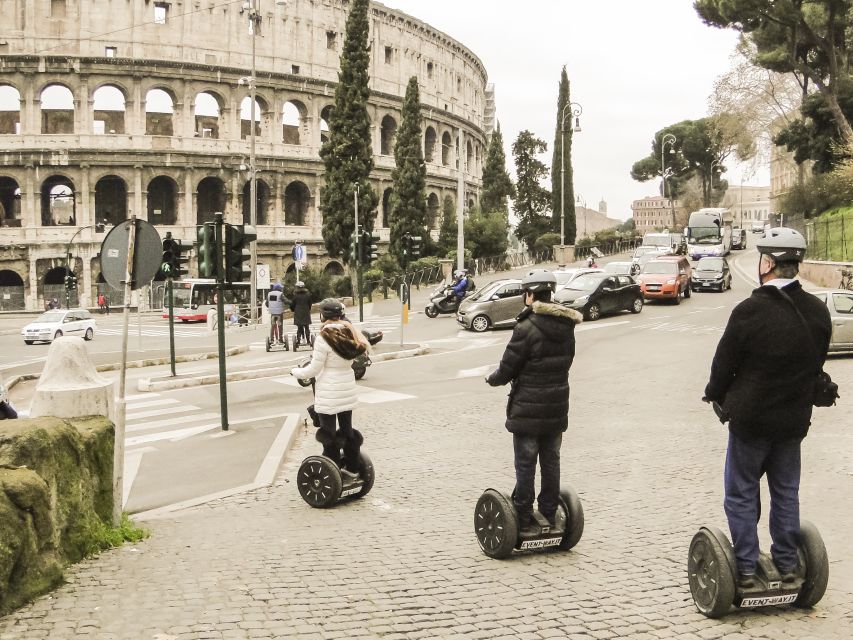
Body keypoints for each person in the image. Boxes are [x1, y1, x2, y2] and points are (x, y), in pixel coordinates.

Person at [703, 227, 831, 588]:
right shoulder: (817, 311)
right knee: (786, 492)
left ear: (769, 263)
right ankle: (788, 565)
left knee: (742, 492)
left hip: (751, 422)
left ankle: (744, 569)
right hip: (793, 422)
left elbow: (723, 364)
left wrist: (714, 393)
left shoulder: (750, 311)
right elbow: (815, 363)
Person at [485, 269, 583, 533]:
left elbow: (508, 367)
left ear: (529, 294)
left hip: (528, 407)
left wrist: (492, 379)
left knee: (526, 463)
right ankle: (550, 513)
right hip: (557, 404)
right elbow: (567, 361)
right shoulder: (566, 325)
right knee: (551, 462)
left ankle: (525, 516)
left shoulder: (526, 327)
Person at [291, 299, 369, 476]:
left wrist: (295, 372)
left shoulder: (323, 337)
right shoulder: (350, 333)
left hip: (329, 391)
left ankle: (332, 468)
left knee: (328, 433)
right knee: (347, 430)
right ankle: (352, 467)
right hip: (347, 388)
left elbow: (314, 369)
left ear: (323, 316)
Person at [290, 280, 313, 347]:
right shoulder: (308, 295)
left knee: (299, 327)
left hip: (298, 313)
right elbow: (310, 304)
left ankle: (299, 340)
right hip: (306, 312)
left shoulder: (295, 295)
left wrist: (293, 310)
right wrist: (308, 309)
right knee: (306, 326)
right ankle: (308, 340)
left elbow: (292, 305)